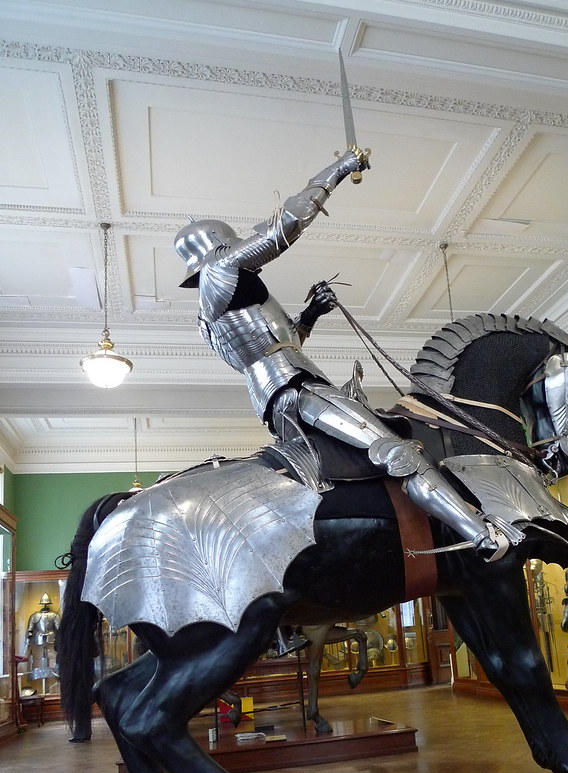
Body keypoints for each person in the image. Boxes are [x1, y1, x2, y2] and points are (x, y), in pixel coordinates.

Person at [174, 147, 508, 563]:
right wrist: (341, 167)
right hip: (295, 387)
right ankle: (482, 534)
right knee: (395, 450)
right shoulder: (220, 271)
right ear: (221, 247)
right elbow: (284, 226)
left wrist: (310, 315)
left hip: (277, 394)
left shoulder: (211, 309)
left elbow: (277, 345)